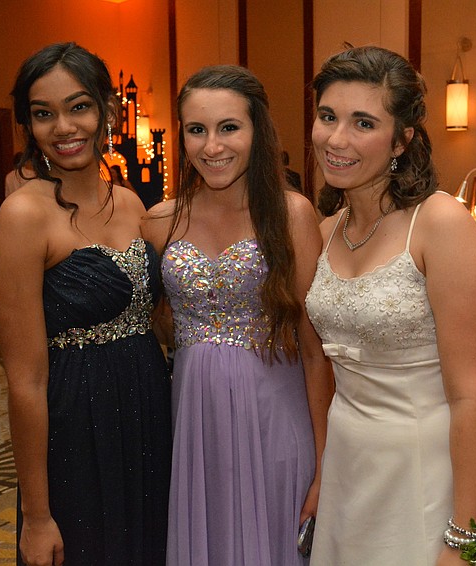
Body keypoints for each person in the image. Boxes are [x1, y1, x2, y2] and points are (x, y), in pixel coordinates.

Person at [304, 46, 476, 565]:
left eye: (363, 123)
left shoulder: (439, 224)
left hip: (424, 469)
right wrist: (320, 470)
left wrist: (464, 540)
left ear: (402, 139)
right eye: (328, 117)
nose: (336, 139)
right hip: (349, 467)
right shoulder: (325, 230)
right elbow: (322, 366)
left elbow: (470, 397)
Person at [0, 42, 171, 566]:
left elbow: (159, 315)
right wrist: (38, 515)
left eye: (78, 107)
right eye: (43, 114)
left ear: (106, 111)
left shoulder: (131, 202)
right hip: (75, 421)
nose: (63, 127)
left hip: (147, 407)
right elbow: (24, 380)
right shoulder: (24, 215)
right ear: (28, 124)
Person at [141, 65, 332, 566]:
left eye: (229, 127)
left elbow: (316, 353)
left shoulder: (292, 215)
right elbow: (154, 322)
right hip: (195, 425)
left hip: (274, 418)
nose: (212, 146)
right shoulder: (161, 221)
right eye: (196, 130)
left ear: (256, 131)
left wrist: (325, 464)